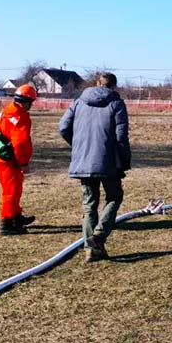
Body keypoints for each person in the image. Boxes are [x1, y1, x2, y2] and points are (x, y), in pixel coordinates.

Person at [58, 72, 131, 262]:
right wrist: (124, 159)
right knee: (115, 197)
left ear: (97, 83)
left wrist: (78, 145)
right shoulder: (117, 103)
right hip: (109, 161)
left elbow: (63, 127)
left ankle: (90, 249)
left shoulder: (79, 102)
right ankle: (98, 236)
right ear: (114, 86)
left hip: (84, 160)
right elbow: (121, 135)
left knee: (89, 204)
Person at [0, 83, 37, 236]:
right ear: (27, 102)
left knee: (15, 189)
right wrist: (23, 162)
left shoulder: (6, 111)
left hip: (2, 157)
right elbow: (21, 142)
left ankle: (16, 216)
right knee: (11, 191)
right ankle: (7, 223)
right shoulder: (20, 116)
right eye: (31, 103)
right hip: (11, 160)